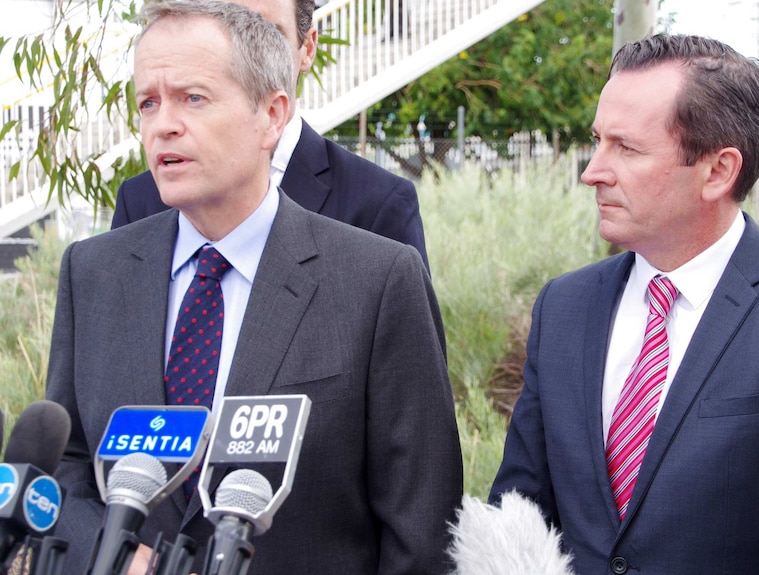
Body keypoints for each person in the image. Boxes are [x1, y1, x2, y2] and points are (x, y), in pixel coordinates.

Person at [46, 2, 462, 574]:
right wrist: (116, 555)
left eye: (193, 97)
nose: (163, 123)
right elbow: (68, 465)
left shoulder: (377, 279)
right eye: (148, 102)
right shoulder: (91, 273)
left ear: (272, 114)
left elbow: (420, 524)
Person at [489, 33, 759, 574]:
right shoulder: (564, 307)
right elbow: (518, 517)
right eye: (598, 140)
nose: (593, 170)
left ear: (717, 171)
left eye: (627, 147)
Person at [111, 0, 430, 273]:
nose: (245, 55)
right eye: (225, 30)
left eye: (266, 34)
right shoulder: (140, 200)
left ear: (308, 48)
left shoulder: (378, 204)